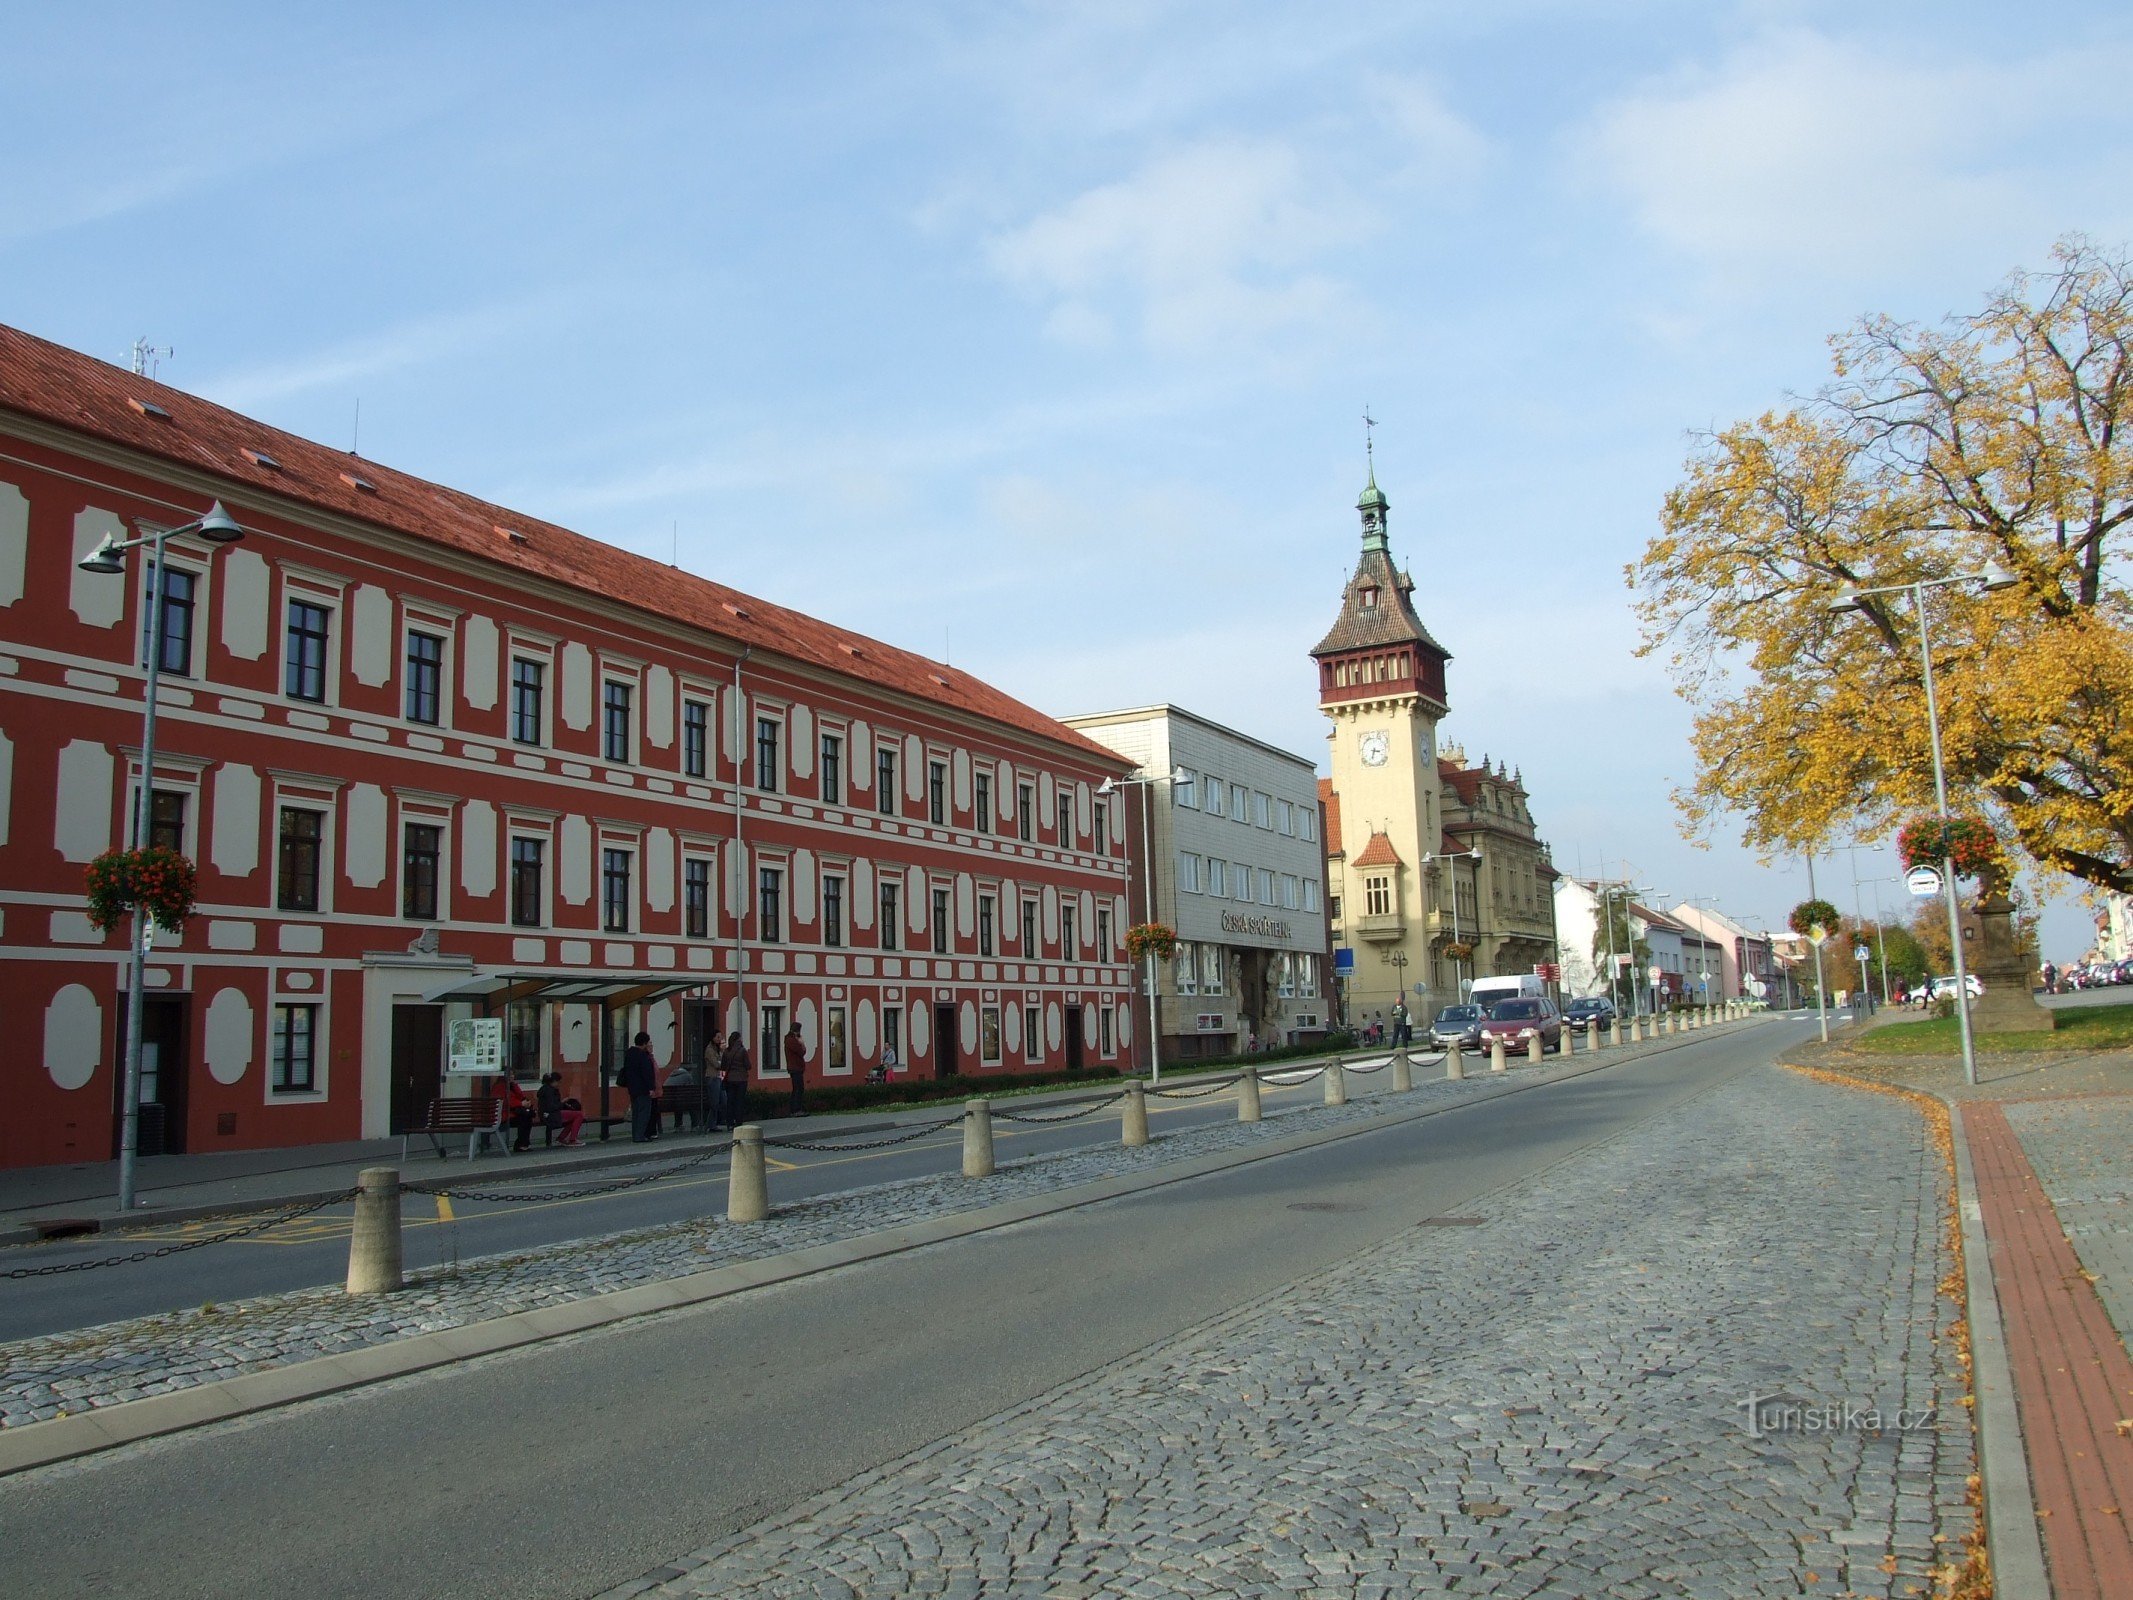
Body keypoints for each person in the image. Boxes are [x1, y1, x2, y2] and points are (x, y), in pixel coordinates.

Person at [619, 1030, 660, 1143]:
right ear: (644, 1043)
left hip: (632, 1088)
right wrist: (651, 1088)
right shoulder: (642, 1056)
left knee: (636, 1113)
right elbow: (647, 1073)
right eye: (647, 1043)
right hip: (643, 1089)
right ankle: (640, 1136)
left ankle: (635, 1135)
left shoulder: (629, 1053)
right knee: (643, 1113)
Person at [537, 1072, 585, 1146]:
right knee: (579, 1115)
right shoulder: (549, 1091)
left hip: (547, 1114)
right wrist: (562, 1103)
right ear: (553, 1082)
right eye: (558, 1082)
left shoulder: (546, 1089)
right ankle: (572, 1139)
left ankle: (561, 1138)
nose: (559, 1084)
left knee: (574, 1118)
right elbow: (552, 1106)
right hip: (551, 1115)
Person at [491, 1074, 535, 1153]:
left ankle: (522, 1144)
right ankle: (521, 1144)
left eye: (513, 1074)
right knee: (524, 1118)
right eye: (510, 1074)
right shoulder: (500, 1087)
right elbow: (505, 1102)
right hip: (503, 1115)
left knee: (526, 1117)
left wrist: (525, 1102)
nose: (512, 1076)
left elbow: (520, 1096)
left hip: (512, 1113)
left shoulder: (513, 1086)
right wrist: (521, 1104)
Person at [717, 1030, 750, 1130]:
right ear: (738, 1039)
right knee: (739, 1101)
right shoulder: (742, 1050)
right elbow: (748, 1065)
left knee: (730, 1101)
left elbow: (723, 1066)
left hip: (730, 1079)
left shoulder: (727, 1051)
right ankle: (738, 1122)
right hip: (741, 1079)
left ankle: (730, 1122)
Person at [783, 1020, 807, 1117]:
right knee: (798, 1088)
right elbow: (801, 1052)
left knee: (797, 1088)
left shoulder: (789, 1039)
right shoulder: (791, 1040)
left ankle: (795, 1109)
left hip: (795, 1067)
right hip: (795, 1067)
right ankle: (796, 1109)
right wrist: (802, 1043)